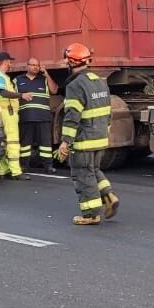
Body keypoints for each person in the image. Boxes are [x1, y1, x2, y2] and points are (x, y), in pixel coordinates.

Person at [57, 43, 119, 225]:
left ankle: (91, 214)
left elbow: (72, 116)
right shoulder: (99, 81)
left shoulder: (75, 85)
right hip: (100, 136)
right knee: (93, 170)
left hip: (84, 139)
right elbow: (109, 110)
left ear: (70, 61)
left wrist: (65, 142)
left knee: (83, 174)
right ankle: (109, 196)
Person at [0, 52, 32, 180]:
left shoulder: (0, 76)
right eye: (10, 62)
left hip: (3, 111)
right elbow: (2, 92)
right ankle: (16, 172)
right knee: (13, 141)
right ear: (5, 62)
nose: (11, 64)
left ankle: (4, 170)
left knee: (3, 142)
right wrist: (21, 95)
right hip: (7, 112)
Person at [13, 58, 59, 175]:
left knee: (45, 145)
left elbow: (54, 90)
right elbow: (11, 96)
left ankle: (48, 167)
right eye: (32, 65)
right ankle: (24, 166)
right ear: (27, 66)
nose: (35, 67)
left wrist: (47, 74)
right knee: (25, 144)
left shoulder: (44, 80)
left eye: (37, 65)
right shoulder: (17, 80)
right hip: (25, 118)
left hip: (43, 118)